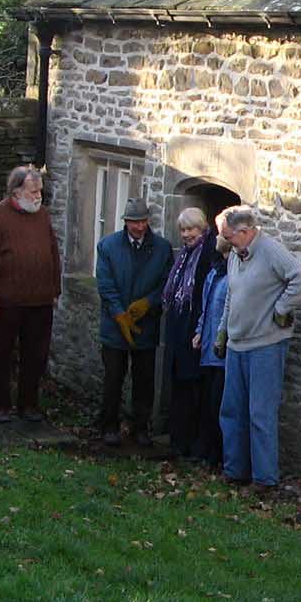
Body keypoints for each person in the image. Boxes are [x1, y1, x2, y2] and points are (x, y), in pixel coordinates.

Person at [211, 205, 301, 488]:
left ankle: (264, 479)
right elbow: (232, 294)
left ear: (245, 232)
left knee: (260, 414)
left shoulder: (270, 251)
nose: (225, 243)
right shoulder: (235, 255)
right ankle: (235, 471)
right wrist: (222, 332)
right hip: (237, 344)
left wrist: (282, 308)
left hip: (266, 344)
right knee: (231, 411)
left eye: (229, 237)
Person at [0, 164, 61, 425]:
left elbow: (53, 253)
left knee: (36, 356)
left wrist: (54, 290)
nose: (38, 196)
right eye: (33, 192)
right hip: (7, 303)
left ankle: (28, 405)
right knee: (1, 355)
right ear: (16, 192)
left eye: (40, 192)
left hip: (40, 301)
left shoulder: (42, 215)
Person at [95, 196, 172, 450]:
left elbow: (166, 284)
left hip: (146, 326)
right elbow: (105, 285)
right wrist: (120, 315)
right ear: (125, 222)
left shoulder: (162, 248)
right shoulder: (107, 246)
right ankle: (109, 427)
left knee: (144, 381)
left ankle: (141, 427)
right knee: (113, 379)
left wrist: (149, 303)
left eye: (143, 221)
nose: (139, 227)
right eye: (133, 222)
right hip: (114, 327)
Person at [160, 205, 223, 462]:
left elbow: (204, 296)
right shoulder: (185, 255)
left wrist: (198, 329)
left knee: (194, 387)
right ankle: (178, 440)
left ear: (203, 228)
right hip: (178, 327)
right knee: (179, 385)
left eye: (191, 229)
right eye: (183, 230)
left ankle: (191, 443)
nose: (186, 234)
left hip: (195, 330)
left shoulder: (208, 254)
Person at [192, 211, 235, 468]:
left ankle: (219, 456)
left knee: (220, 405)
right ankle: (206, 450)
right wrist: (199, 331)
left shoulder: (234, 278)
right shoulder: (214, 274)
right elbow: (206, 307)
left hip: (223, 354)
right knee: (206, 403)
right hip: (207, 348)